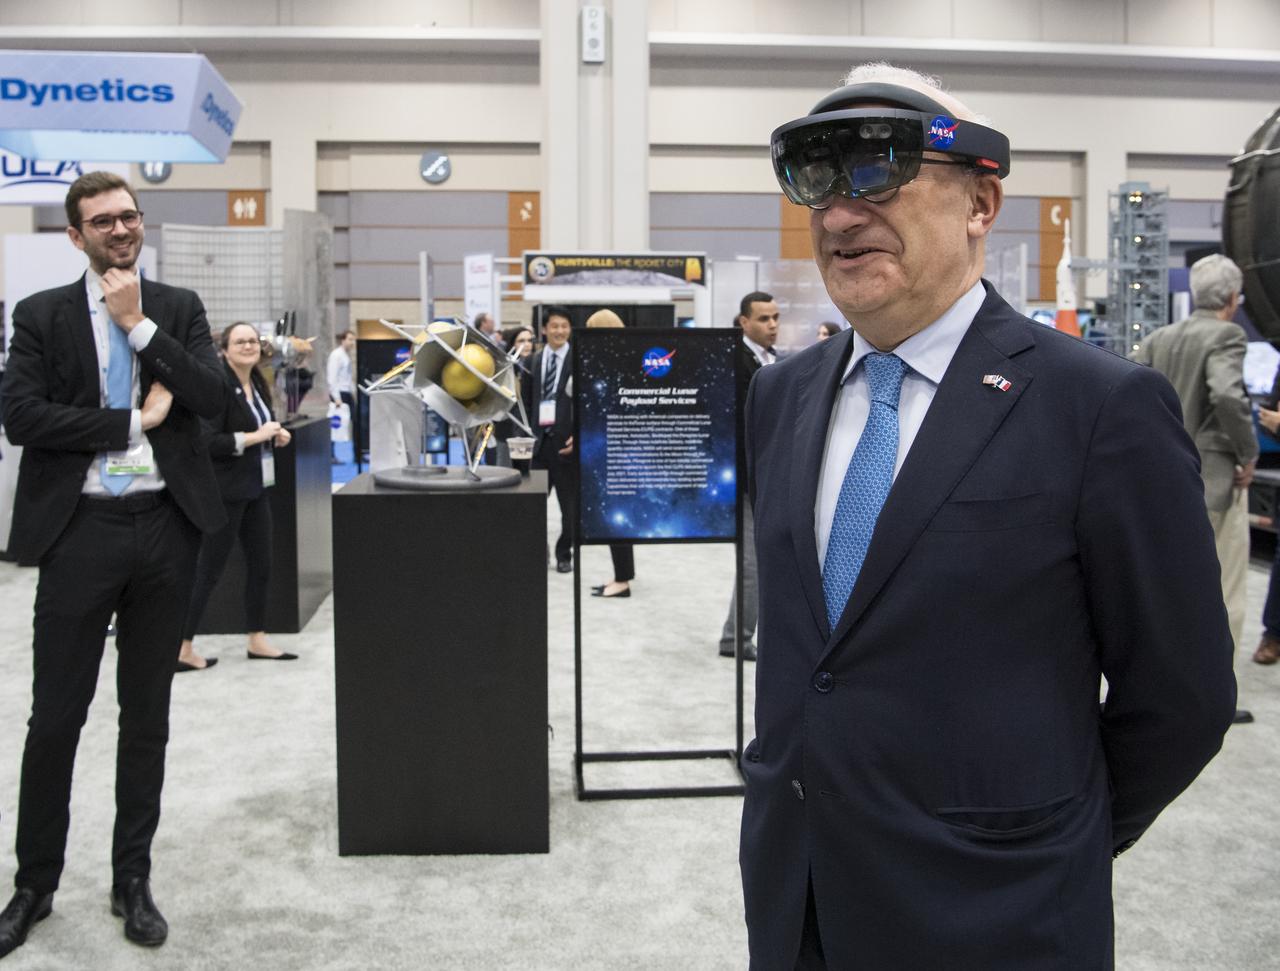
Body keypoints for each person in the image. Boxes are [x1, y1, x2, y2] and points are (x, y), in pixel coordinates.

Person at [739, 64, 1236, 968]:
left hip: (1000, 916)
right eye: (818, 185)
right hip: (798, 897)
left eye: (877, 173)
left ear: (980, 202)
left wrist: (1049, 840)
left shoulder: (1098, 407)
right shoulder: (782, 398)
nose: (841, 215)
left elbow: (1184, 695)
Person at [0, 171, 228, 957]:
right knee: (55, 717)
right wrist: (131, 420)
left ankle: (132, 878)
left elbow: (213, 395)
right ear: (77, 235)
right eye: (103, 221)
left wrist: (137, 327)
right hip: (80, 531)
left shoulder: (179, 308)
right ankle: (35, 881)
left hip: (166, 528)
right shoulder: (41, 315)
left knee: (147, 718)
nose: (121, 229)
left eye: (129, 216)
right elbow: (21, 414)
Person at [1131, 254, 1256, 723]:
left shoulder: (1162, 338)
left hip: (1165, 478)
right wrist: (1247, 454)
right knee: (1225, 588)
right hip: (1216, 481)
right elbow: (1225, 394)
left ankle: (1172, 689)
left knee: (1171, 589)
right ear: (1231, 299)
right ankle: (1218, 697)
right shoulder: (1228, 335)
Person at [177, 322, 298, 672]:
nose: (248, 346)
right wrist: (256, 436)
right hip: (226, 492)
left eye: (253, 341)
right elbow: (207, 442)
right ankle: (182, 646)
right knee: (208, 570)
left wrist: (274, 436)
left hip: (257, 488)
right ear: (225, 349)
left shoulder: (257, 383)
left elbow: (259, 429)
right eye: (240, 341)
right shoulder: (216, 387)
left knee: (262, 565)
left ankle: (257, 638)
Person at [718, 291, 779, 660]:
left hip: (765, 478)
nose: (772, 325)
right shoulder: (735, 363)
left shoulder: (767, 360)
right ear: (744, 322)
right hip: (744, 480)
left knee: (760, 562)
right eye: (763, 319)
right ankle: (736, 638)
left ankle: (735, 636)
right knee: (753, 565)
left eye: (775, 318)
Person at [582, 308, 635, 598]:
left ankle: (623, 580)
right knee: (615, 515)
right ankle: (620, 575)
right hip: (612, 448)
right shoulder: (619, 361)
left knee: (618, 515)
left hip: (614, 450)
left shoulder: (612, 365)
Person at [525, 308, 576, 572]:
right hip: (538, 446)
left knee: (570, 511)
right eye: (554, 326)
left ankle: (564, 553)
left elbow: (586, 402)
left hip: (566, 446)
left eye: (564, 326)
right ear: (544, 329)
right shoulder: (533, 361)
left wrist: (578, 435)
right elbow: (525, 403)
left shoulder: (578, 359)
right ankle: (537, 551)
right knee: (533, 508)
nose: (559, 331)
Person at [327, 329, 355, 463]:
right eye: (350, 339)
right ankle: (330, 455)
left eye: (353, 340)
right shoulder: (336, 355)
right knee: (335, 424)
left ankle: (357, 453)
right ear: (343, 340)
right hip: (339, 394)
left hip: (347, 392)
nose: (352, 342)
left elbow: (348, 377)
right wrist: (336, 397)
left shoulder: (346, 355)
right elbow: (332, 377)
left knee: (352, 422)